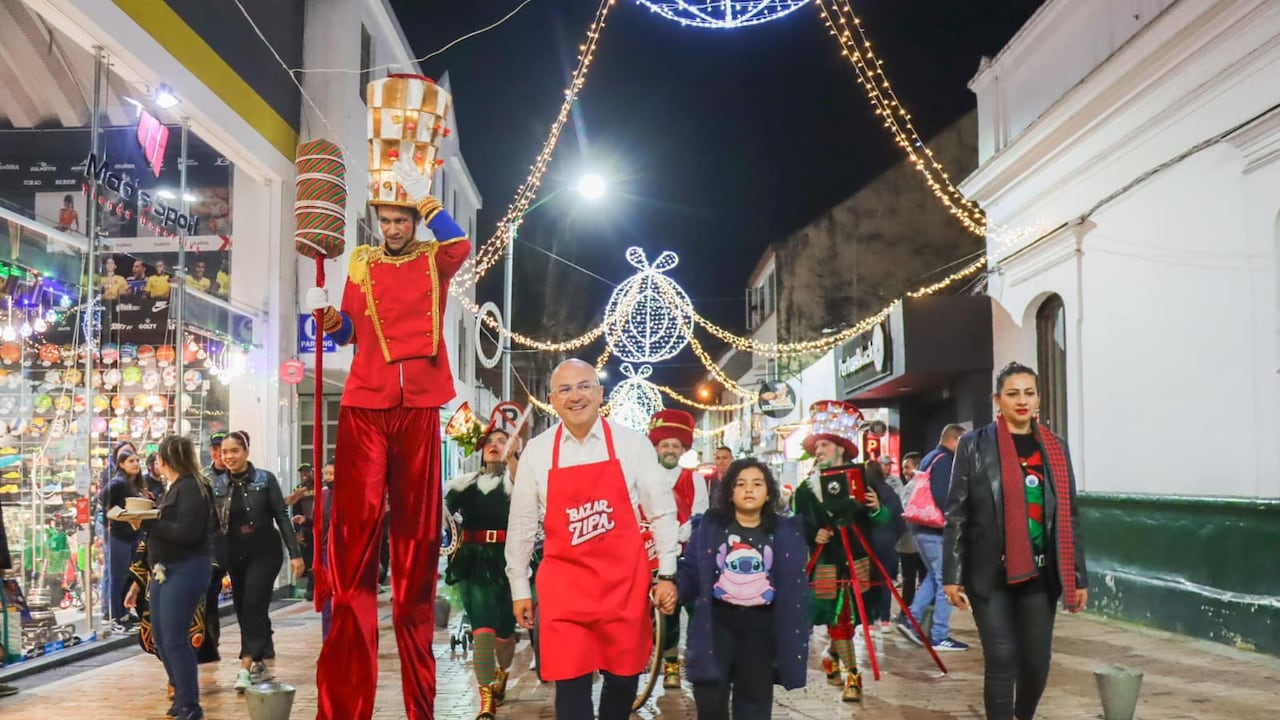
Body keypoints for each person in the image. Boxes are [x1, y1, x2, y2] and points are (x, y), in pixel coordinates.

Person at [306, 74, 472, 720]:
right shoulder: (361, 265)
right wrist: (329, 324)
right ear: (377, 220)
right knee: (352, 541)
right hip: (366, 406)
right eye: (389, 217)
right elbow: (350, 327)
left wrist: (429, 200)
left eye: (403, 217)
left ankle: (420, 705)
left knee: (417, 544)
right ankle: (344, 704)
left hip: (418, 410)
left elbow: (459, 243)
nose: (396, 226)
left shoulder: (435, 258)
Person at [506, 359, 680, 720]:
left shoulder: (632, 445)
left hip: (624, 590)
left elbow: (662, 512)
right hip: (565, 593)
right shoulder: (537, 453)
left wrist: (667, 573)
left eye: (584, 386)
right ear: (552, 400)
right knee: (570, 692)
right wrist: (519, 586)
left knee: (622, 684)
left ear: (600, 394)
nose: (576, 397)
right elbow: (521, 523)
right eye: (565, 389)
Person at [943, 362, 1088, 720]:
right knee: (1002, 658)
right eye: (1013, 394)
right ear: (998, 400)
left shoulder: (1056, 448)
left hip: (1040, 575)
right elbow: (956, 513)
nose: (1022, 401)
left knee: (1037, 662)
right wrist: (952, 573)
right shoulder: (973, 445)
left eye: (1029, 393)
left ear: (1038, 398)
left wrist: (1078, 574)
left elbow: (1069, 513)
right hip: (989, 574)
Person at [678, 458, 809, 720]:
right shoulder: (710, 526)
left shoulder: (785, 531)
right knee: (710, 699)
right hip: (716, 625)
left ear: (768, 491)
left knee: (754, 704)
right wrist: (673, 588)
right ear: (729, 491)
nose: (749, 490)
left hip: (760, 631)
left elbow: (796, 583)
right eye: (741, 484)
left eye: (757, 484)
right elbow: (691, 569)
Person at [792, 400, 892, 702]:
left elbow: (887, 518)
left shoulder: (864, 479)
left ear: (839, 448)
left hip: (859, 559)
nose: (819, 450)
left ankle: (831, 653)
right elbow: (798, 526)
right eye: (817, 446)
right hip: (827, 563)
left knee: (848, 617)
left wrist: (876, 509)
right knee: (840, 618)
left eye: (824, 445)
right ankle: (853, 676)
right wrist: (815, 535)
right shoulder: (805, 490)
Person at [123, 435, 217, 720]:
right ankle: (182, 699)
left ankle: (190, 704)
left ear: (163, 461)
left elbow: (187, 533)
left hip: (185, 568)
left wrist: (151, 523)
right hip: (166, 569)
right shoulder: (177, 487)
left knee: (175, 640)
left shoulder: (191, 488)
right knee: (163, 639)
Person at [444, 404, 524, 720]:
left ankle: (503, 671)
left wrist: (515, 458)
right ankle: (486, 699)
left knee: (505, 633)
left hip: (511, 563)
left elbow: (527, 493)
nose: (495, 444)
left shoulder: (519, 480)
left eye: (502, 440)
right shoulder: (463, 484)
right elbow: (441, 514)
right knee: (483, 629)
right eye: (490, 440)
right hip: (473, 562)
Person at [213, 430, 303, 691]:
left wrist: (295, 554)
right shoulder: (217, 484)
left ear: (246, 452)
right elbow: (213, 524)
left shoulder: (265, 479)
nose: (229, 456)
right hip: (235, 554)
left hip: (266, 552)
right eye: (225, 452)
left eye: (235, 451)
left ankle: (246, 664)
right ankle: (260, 659)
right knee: (245, 607)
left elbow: (282, 517)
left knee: (253, 601)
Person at [648, 408, 708, 688]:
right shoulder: (645, 477)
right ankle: (670, 666)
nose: (670, 450)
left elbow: (701, 514)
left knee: (697, 610)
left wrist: (686, 530)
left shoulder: (694, 478)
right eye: (665, 445)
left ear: (682, 449)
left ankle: (698, 661)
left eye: (675, 446)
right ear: (657, 448)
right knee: (666, 611)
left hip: (688, 555)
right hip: (657, 555)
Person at [899, 424, 971, 652]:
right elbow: (944, 496)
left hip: (920, 526)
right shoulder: (944, 460)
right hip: (934, 529)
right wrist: (956, 521)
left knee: (933, 576)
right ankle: (940, 635)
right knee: (944, 579)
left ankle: (912, 622)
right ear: (956, 440)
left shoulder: (931, 457)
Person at [98, 449, 150, 633]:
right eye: (131, 461)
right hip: (119, 535)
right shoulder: (118, 483)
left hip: (131, 535)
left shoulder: (133, 483)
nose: (135, 464)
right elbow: (103, 497)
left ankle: (125, 612)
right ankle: (116, 615)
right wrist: (112, 518)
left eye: (137, 460)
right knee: (117, 577)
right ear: (121, 464)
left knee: (129, 575)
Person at [198, 431, 228, 664]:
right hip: (213, 545)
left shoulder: (240, 475)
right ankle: (209, 644)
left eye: (223, 449)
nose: (219, 454)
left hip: (237, 543)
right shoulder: (203, 478)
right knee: (209, 596)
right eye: (215, 449)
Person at [895, 452, 927, 609]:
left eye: (907, 467)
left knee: (908, 579)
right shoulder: (927, 483)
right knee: (925, 578)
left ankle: (907, 613)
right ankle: (922, 614)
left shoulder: (910, 487)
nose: (904, 471)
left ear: (917, 467)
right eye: (903, 468)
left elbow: (905, 514)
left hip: (909, 542)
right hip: (925, 541)